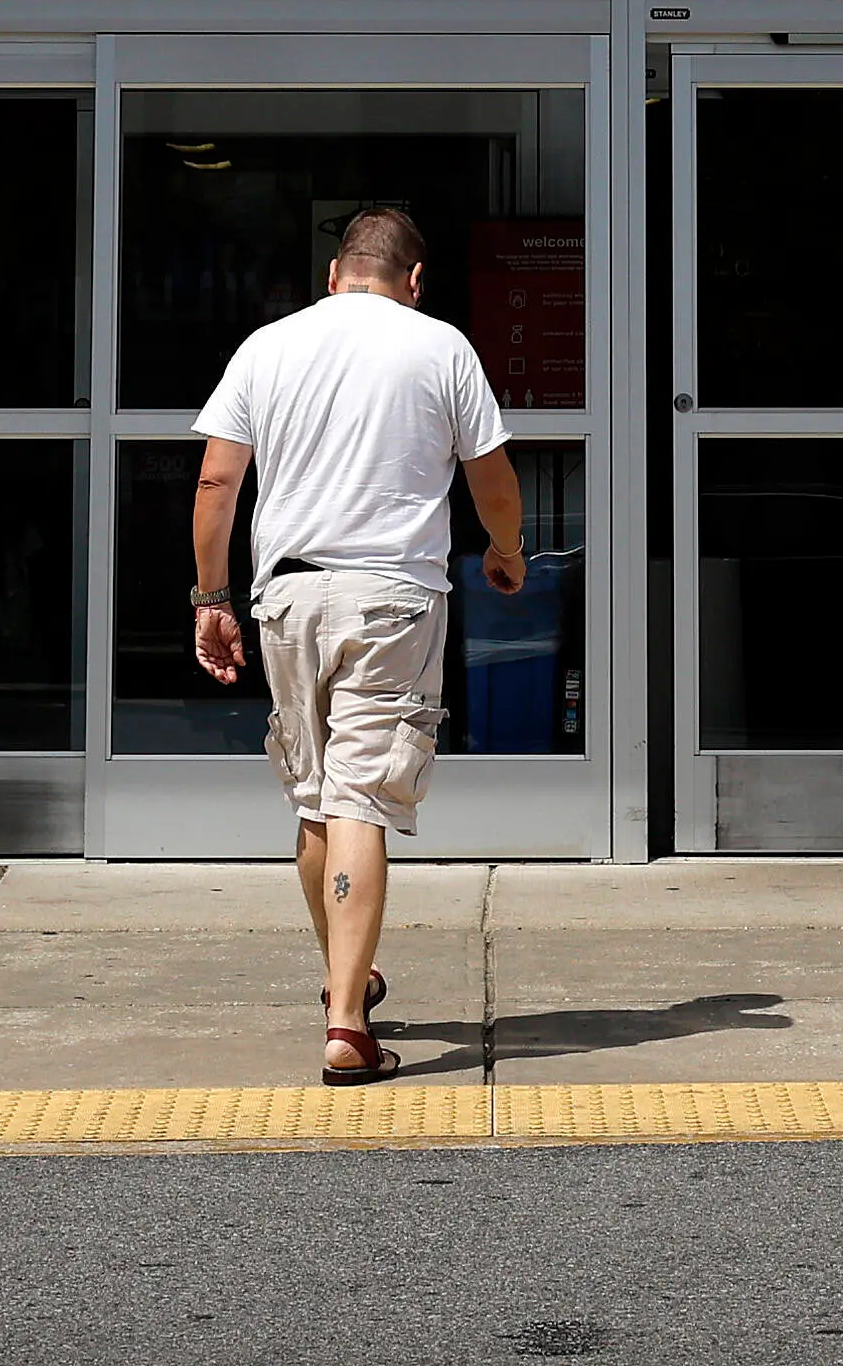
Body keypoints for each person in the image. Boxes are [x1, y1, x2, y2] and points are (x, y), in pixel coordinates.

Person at [186, 202, 523, 1087]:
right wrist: (508, 549)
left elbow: (219, 477)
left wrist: (211, 597)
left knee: (315, 795)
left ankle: (349, 973)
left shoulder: (269, 345)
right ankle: (347, 1024)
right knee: (361, 801)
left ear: (335, 274)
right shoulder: (440, 345)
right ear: (414, 281)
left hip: (288, 593)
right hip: (393, 599)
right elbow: (490, 474)